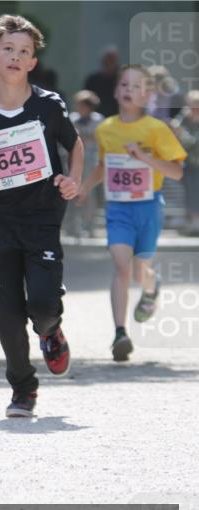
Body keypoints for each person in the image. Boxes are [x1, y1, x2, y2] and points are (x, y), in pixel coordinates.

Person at [0, 15, 84, 418]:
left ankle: (50, 331)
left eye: (24, 52)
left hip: (43, 217)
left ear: (33, 62)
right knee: (5, 315)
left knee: (45, 304)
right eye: (9, 50)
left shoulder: (48, 105)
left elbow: (75, 144)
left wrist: (73, 179)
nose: (16, 57)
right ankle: (23, 390)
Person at [78, 65, 186, 362]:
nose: (129, 90)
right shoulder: (105, 128)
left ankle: (151, 288)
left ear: (148, 94)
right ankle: (120, 333)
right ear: (115, 91)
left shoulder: (156, 129)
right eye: (124, 84)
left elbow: (177, 171)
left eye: (137, 86)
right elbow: (103, 165)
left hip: (149, 206)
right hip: (118, 207)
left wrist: (146, 158)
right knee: (122, 264)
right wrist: (85, 187)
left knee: (140, 269)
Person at [67, 89, 105, 237]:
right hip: (74, 161)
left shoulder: (98, 120)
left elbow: (100, 140)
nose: (79, 108)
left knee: (89, 193)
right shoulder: (72, 118)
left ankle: (89, 226)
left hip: (92, 160)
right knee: (71, 192)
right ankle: (73, 226)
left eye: (82, 105)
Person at [171, 89, 199, 235]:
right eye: (192, 105)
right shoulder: (184, 117)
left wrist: (181, 133)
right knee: (190, 193)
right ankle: (194, 223)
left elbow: (193, 141)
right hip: (189, 163)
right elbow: (175, 128)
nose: (193, 108)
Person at [84, 47, 120, 117]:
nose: (109, 63)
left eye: (112, 60)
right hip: (95, 119)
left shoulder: (122, 80)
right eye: (107, 60)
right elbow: (86, 99)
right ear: (102, 61)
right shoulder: (92, 80)